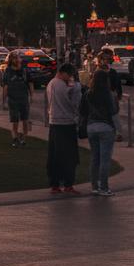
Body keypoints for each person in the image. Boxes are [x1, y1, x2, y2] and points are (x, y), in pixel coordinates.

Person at [46, 63, 83, 194]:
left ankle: (55, 184)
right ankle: (68, 184)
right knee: (69, 156)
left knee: (54, 155)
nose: (70, 77)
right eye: (70, 75)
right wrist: (77, 86)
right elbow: (75, 103)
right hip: (67, 123)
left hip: (54, 123)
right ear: (64, 73)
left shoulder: (51, 83)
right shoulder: (67, 86)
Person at [85, 68, 119, 196]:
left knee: (95, 158)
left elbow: (83, 110)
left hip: (91, 127)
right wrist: (118, 130)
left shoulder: (88, 93)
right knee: (105, 159)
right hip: (106, 127)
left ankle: (94, 186)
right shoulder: (108, 94)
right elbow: (113, 111)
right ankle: (104, 187)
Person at [0, 50, 32, 147]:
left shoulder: (25, 70)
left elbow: (30, 83)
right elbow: (5, 86)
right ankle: (15, 138)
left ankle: (23, 138)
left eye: (17, 57)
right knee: (15, 121)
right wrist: (3, 99)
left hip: (24, 98)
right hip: (12, 99)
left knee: (25, 120)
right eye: (14, 58)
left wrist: (32, 96)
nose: (16, 60)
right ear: (11, 60)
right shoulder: (8, 71)